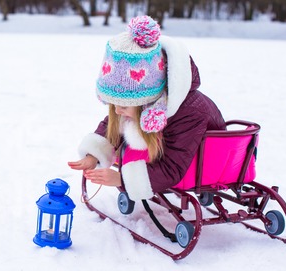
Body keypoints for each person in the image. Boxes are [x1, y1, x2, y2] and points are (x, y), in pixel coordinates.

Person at [68, 15, 226, 201]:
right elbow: (114, 123)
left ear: (148, 102)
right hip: (173, 154)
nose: (117, 111)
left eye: (124, 106)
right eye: (113, 104)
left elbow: (173, 166)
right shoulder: (145, 104)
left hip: (203, 166)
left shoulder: (189, 112)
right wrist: (93, 155)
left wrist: (122, 179)